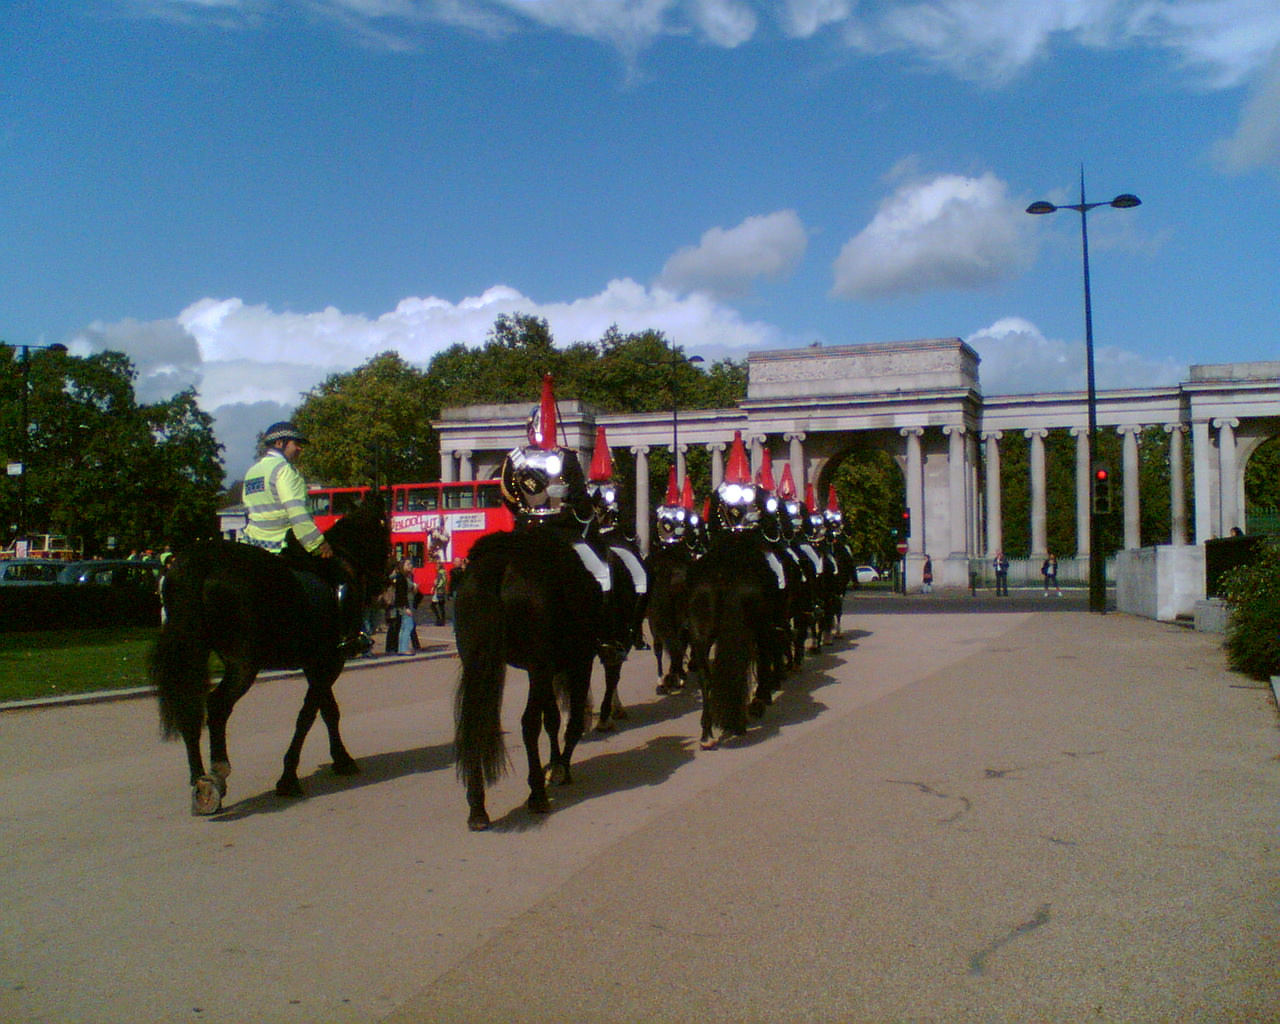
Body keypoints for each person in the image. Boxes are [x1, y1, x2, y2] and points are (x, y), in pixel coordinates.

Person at [241, 420, 370, 658]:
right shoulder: (285, 472)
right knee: (342, 576)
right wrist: (318, 544)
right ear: (280, 443)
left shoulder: (252, 472)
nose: (300, 449)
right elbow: (297, 514)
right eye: (296, 444)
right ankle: (347, 637)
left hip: (253, 544)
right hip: (282, 542)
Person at [390, 558, 417, 654]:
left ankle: (402, 648)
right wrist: (406, 608)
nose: (411, 566)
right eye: (408, 564)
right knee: (408, 625)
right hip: (404, 605)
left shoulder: (403, 577)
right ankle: (404, 648)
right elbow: (401, 594)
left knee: (404, 626)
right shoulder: (401, 578)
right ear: (402, 566)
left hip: (403, 605)